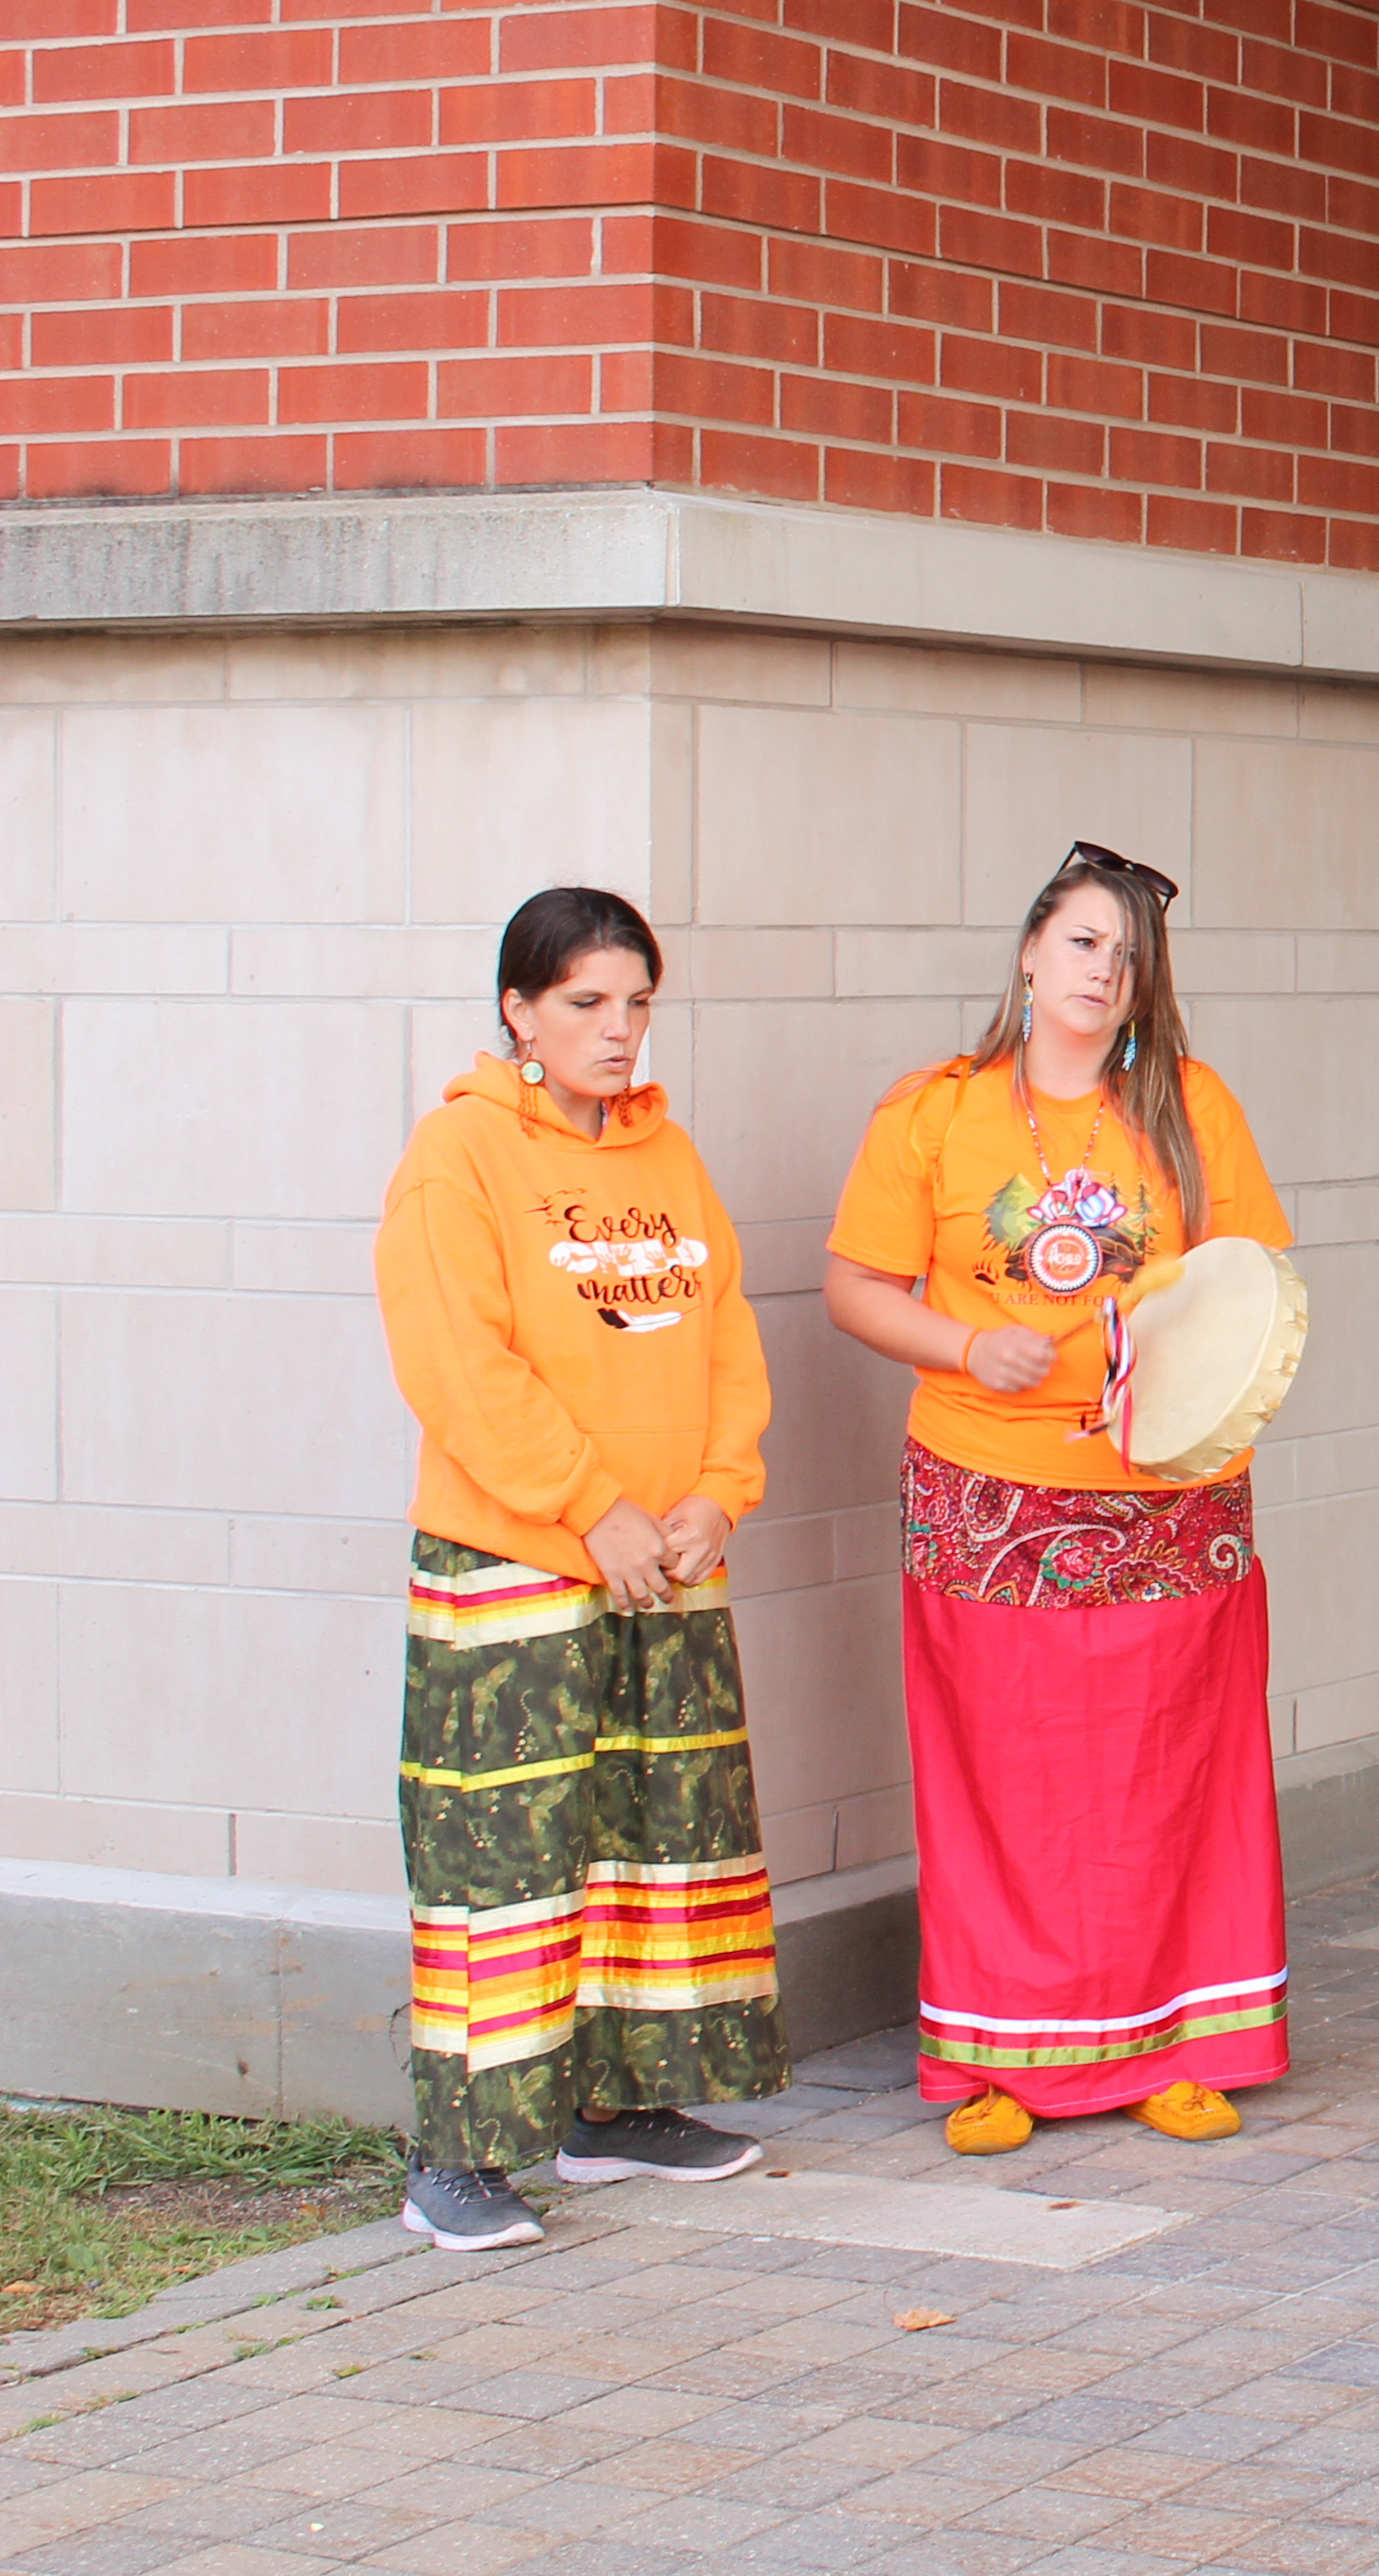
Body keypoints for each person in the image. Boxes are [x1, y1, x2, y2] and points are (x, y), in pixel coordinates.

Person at [823, 843, 1296, 2154]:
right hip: (988, 1488)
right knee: (1006, 1776)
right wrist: (970, 1347)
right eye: (1086, 942)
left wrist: (1188, 1388)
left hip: (1163, 1499)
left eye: (1130, 956)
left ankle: (1178, 2039)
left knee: (1164, 1773)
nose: (1105, 972)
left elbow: (1253, 1290)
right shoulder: (935, 1113)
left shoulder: (1191, 1109)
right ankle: (999, 2058)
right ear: (1033, 949)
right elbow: (858, 1289)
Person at [373, 888, 784, 2251]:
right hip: (523, 1570)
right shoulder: (459, 1157)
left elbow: (725, 1331)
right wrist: (589, 1505)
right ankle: (458, 2154)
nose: (617, 1032)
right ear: (519, 1011)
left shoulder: (671, 1158)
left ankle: (617, 2109)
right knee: (510, 1860)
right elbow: (461, 1367)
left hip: (665, 1565)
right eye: (586, 1005)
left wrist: (720, 1493)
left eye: (636, 1004)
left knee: (658, 1846)